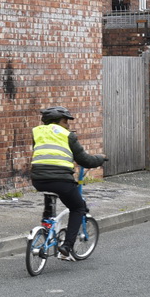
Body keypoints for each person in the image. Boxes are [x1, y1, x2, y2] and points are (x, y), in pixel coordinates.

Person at [30, 106, 106, 261]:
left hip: (38, 179)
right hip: (61, 180)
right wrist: (100, 158)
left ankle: (46, 226)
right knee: (78, 207)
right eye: (66, 121)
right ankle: (67, 246)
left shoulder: (36, 132)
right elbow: (84, 160)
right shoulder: (67, 135)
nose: (68, 125)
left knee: (50, 193)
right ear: (58, 121)